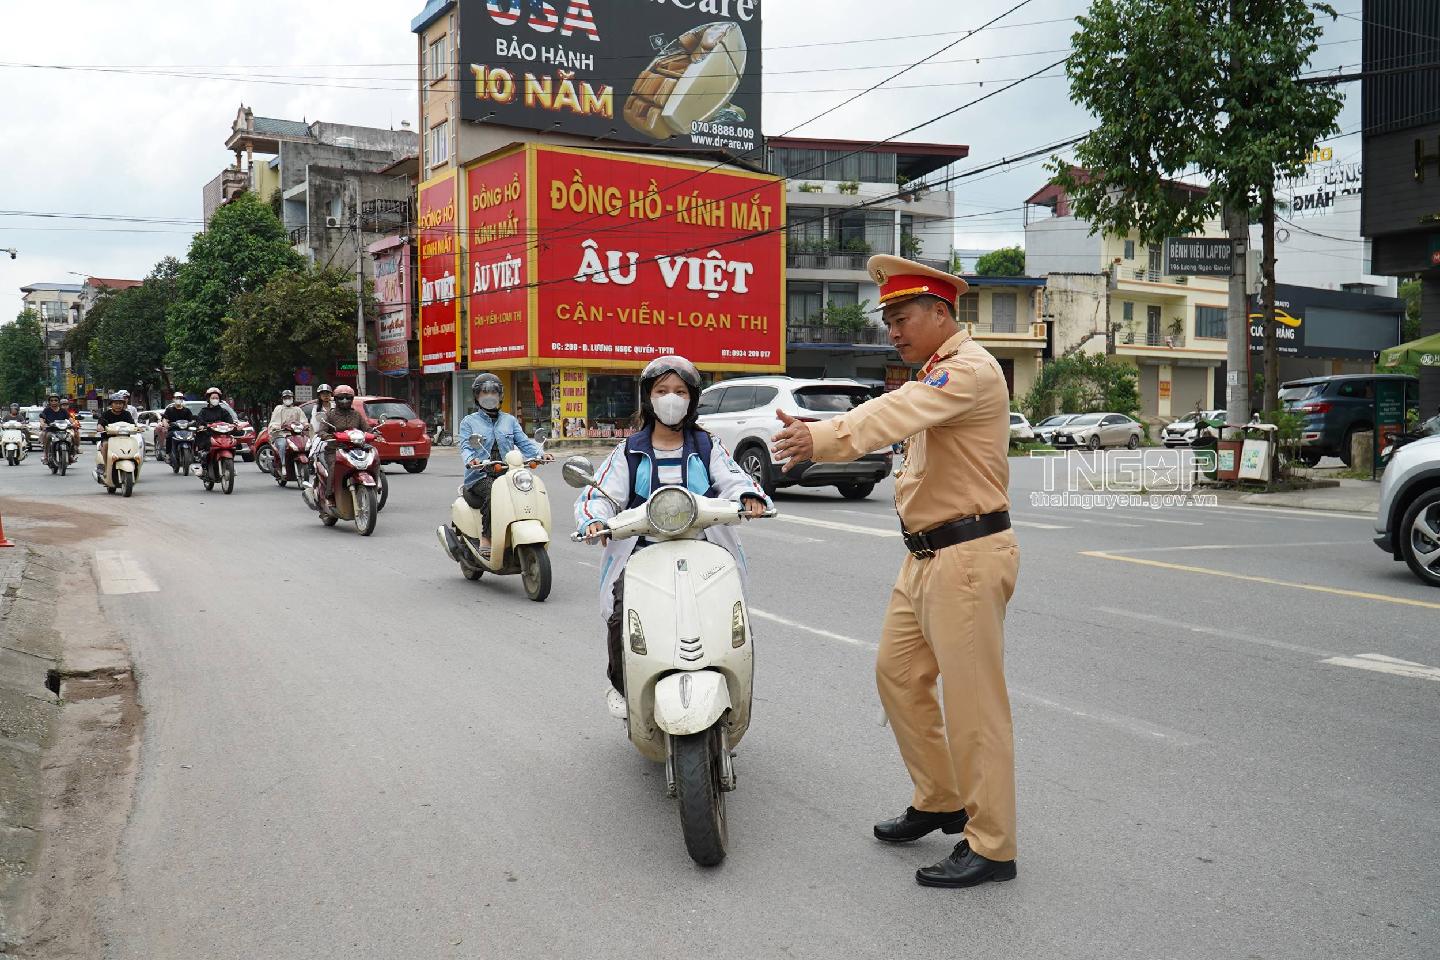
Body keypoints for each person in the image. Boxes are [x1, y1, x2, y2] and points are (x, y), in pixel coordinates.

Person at [771, 254, 1020, 889]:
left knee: (973, 706)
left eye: (902, 317)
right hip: (926, 555)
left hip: (966, 555)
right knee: (898, 675)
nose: (893, 330)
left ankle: (992, 844)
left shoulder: (968, 370)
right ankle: (940, 798)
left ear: (941, 314)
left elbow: (892, 415)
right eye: (888, 321)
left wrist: (822, 437)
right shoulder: (938, 370)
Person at [574, 355, 769, 712]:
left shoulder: (707, 445)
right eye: (662, 390)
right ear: (648, 397)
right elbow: (599, 494)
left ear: (692, 398)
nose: (671, 398)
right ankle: (622, 684)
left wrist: (748, 496)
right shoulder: (629, 451)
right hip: (642, 554)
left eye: (680, 391)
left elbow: (734, 478)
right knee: (621, 619)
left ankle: (734, 686)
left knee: (732, 620)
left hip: (706, 551)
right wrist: (595, 519)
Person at [460, 374, 551, 558]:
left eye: (493, 392)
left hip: (507, 473)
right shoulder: (469, 422)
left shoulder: (509, 420)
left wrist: (541, 454)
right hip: (480, 476)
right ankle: (487, 537)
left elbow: (524, 443)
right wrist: (472, 461)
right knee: (494, 492)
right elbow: (465, 446)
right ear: (477, 396)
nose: (489, 396)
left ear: (500, 395)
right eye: (484, 392)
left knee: (528, 489)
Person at [313, 385, 366, 500]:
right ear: (336, 399)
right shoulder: (330, 415)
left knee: (372, 459)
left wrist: (375, 433)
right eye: (341, 398)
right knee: (334, 466)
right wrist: (327, 436)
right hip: (336, 449)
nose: (345, 401)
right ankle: (329, 494)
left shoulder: (356, 414)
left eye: (348, 398)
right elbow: (321, 430)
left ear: (352, 399)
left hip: (356, 448)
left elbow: (366, 428)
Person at [193, 387, 236, 470]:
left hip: (223, 435)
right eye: (213, 398)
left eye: (217, 398)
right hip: (208, 435)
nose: (215, 399)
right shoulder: (204, 411)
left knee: (233, 443)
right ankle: (203, 467)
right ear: (208, 399)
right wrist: (202, 426)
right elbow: (199, 421)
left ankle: (230, 467)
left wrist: (233, 425)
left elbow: (230, 421)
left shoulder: (223, 411)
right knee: (205, 448)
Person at [266, 389, 307, 476]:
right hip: (281, 434)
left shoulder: (297, 410)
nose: (287, 399)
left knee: (306, 444)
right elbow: (273, 423)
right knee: (282, 445)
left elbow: (304, 421)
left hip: (295, 435)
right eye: (285, 398)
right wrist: (278, 426)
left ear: (292, 398)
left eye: (289, 397)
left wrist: (306, 425)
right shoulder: (278, 409)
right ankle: (283, 465)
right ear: (283, 399)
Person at [96, 392, 136, 465]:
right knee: (105, 445)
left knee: (135, 444)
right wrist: (99, 426)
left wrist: (138, 428)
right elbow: (100, 422)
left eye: (120, 403)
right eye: (116, 403)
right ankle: (106, 466)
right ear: (111, 404)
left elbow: (132, 424)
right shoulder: (106, 414)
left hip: (124, 439)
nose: (118, 405)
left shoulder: (127, 414)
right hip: (108, 438)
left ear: (123, 405)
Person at [40, 393, 76, 464]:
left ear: (58, 401)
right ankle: (46, 456)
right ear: (49, 402)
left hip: (63, 430)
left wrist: (73, 423)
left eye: (55, 400)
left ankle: (71, 455)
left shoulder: (63, 411)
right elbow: (42, 418)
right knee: (47, 436)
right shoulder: (46, 410)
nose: (53, 402)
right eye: (52, 400)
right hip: (51, 430)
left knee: (72, 436)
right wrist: (43, 424)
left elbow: (70, 418)